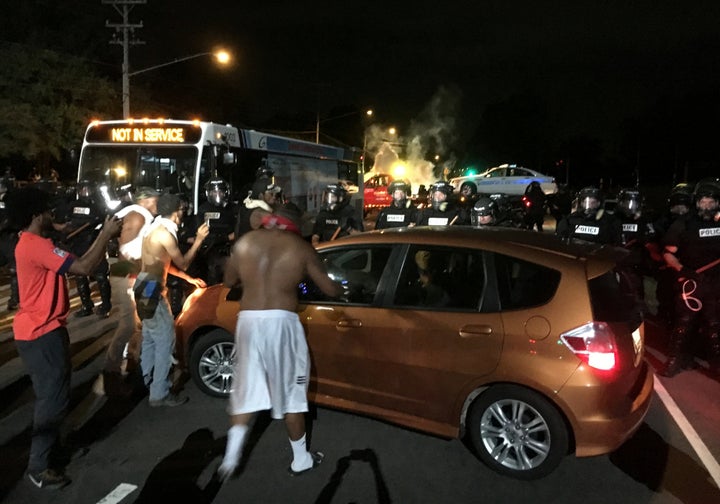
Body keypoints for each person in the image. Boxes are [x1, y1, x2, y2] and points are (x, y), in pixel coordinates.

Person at [7, 186, 122, 489]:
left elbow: (67, 256)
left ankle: (51, 453)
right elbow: (84, 267)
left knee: (53, 396)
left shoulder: (32, 242)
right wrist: (106, 234)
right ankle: (39, 466)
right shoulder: (37, 246)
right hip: (41, 333)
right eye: (47, 212)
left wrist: (64, 230)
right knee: (53, 400)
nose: (52, 215)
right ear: (35, 215)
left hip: (42, 330)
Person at [217, 204, 343, 481]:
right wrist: (343, 288)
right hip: (282, 323)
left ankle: (230, 457)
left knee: (246, 388)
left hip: (248, 320)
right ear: (296, 224)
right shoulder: (299, 247)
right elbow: (329, 288)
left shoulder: (245, 242)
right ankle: (301, 460)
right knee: (291, 394)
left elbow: (228, 281)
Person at [137, 193, 209, 406]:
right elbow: (184, 262)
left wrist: (188, 279)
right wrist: (199, 240)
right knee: (165, 341)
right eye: (183, 210)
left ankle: (147, 378)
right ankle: (159, 393)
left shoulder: (154, 228)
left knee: (150, 337)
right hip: (151, 289)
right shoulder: (166, 234)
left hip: (144, 285)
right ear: (178, 212)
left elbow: (163, 263)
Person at [102, 186, 159, 397]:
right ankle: (111, 372)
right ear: (145, 201)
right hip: (126, 272)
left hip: (132, 272)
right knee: (128, 324)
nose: (158, 204)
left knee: (139, 323)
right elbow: (125, 252)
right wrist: (136, 277)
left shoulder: (138, 214)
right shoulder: (137, 216)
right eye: (155, 200)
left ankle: (134, 368)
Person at [659, 181, 720, 378]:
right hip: (691, 282)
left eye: (711, 202)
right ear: (696, 202)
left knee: (714, 324)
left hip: (715, 282)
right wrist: (682, 269)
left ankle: (716, 364)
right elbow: (668, 254)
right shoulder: (684, 223)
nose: (707, 206)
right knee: (684, 322)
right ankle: (675, 360)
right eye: (703, 202)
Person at [57, 180, 113, 318]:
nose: (84, 192)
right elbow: (66, 222)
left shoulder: (98, 206)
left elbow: (106, 221)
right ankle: (86, 305)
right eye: (82, 189)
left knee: (101, 276)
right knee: (80, 277)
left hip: (94, 243)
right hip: (77, 244)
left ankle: (106, 305)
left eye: (86, 189)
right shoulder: (73, 205)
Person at [651, 184, 693, 326]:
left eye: (684, 204)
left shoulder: (693, 221)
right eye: (677, 204)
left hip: (686, 266)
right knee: (665, 295)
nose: (680, 209)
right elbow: (656, 241)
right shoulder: (663, 221)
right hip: (667, 266)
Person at [614, 188, 656, 311]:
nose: (630, 207)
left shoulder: (644, 221)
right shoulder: (613, 220)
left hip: (636, 266)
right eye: (627, 203)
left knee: (636, 297)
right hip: (616, 264)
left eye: (634, 203)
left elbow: (652, 242)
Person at [195, 177, 237, 285]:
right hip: (211, 250)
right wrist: (226, 237)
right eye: (214, 191)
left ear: (225, 192)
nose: (217, 194)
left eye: (220, 191)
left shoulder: (233, 209)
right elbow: (201, 235)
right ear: (208, 193)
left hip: (231, 249)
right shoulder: (203, 210)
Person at [555, 186, 622, 245]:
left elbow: (615, 245)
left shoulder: (610, 222)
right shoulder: (570, 220)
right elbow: (561, 243)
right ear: (581, 203)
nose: (589, 206)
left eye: (593, 203)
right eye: (586, 202)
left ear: (599, 203)